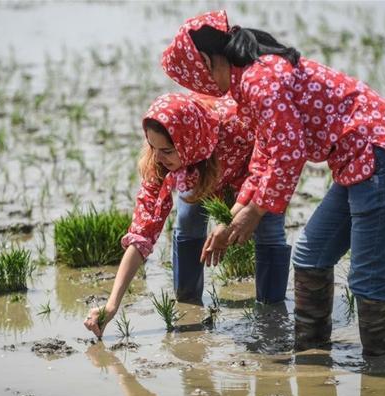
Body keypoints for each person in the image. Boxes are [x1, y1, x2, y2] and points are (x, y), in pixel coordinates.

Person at [160, 10, 385, 357]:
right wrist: (234, 215)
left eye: (202, 76)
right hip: (359, 163)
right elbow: (265, 154)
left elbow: (289, 152)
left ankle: (381, 375)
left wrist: (254, 213)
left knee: (369, 280)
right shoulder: (250, 81)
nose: (207, 87)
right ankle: (311, 357)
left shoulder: (261, 79)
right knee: (310, 256)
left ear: (211, 61)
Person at [84, 92, 291, 339]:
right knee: (188, 219)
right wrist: (112, 304)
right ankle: (188, 303)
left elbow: (275, 163)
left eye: (167, 150)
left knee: (269, 229)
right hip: (197, 169)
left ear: (188, 141)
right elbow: (142, 233)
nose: (158, 157)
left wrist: (240, 214)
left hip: (251, 170)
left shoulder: (238, 125)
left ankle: (272, 316)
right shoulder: (160, 161)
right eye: (153, 146)